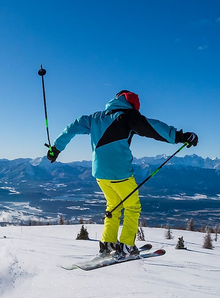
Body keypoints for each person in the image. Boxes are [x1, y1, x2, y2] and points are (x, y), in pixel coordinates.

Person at [46, 90, 198, 260]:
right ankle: (126, 247)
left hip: (100, 174)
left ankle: (108, 244)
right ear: (132, 104)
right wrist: (179, 136)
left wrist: (56, 149)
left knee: (113, 205)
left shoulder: (96, 117)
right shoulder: (128, 116)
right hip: (120, 174)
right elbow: (152, 127)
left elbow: (72, 127)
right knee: (133, 207)